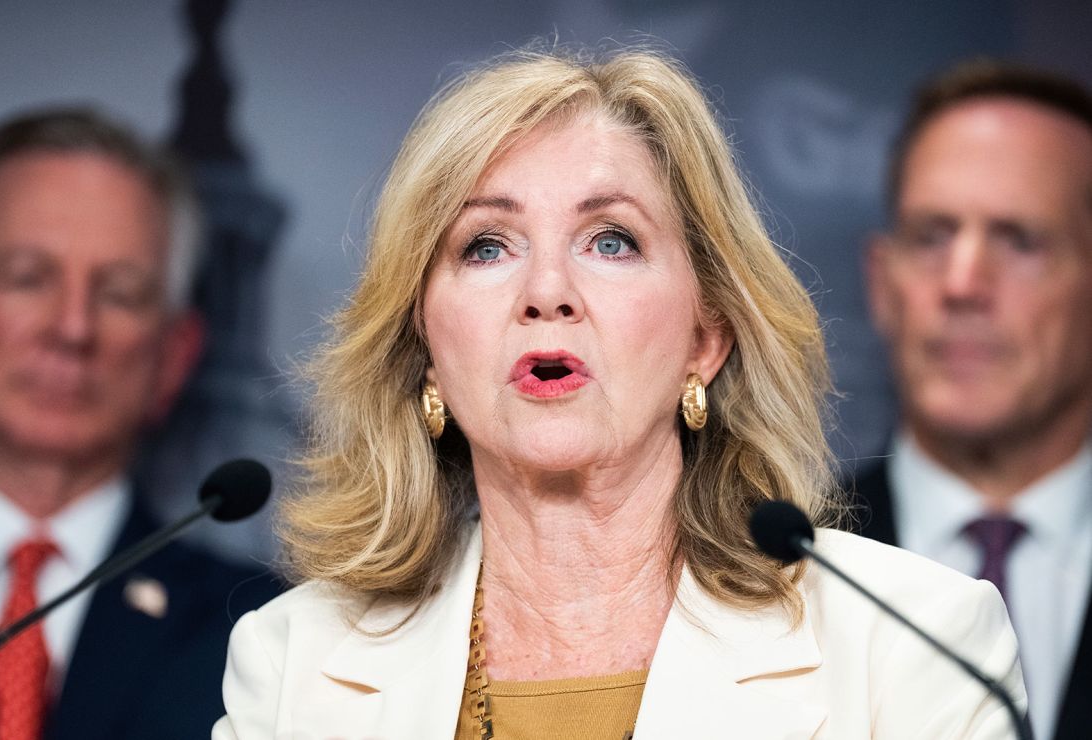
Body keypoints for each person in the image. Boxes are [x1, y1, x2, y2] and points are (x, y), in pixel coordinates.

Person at [217, 48, 1024, 739]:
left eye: (612, 240)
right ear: (425, 347)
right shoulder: (295, 663)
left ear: (706, 340)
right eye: (487, 245)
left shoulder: (912, 644)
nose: (546, 291)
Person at [0, 108, 280, 740]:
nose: (73, 329)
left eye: (119, 293)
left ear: (175, 355)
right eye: (28, 278)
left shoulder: (263, 633)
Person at [857, 60, 1092, 740]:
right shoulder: (773, 567)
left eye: (1019, 240)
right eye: (932, 236)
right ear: (882, 283)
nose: (962, 283)